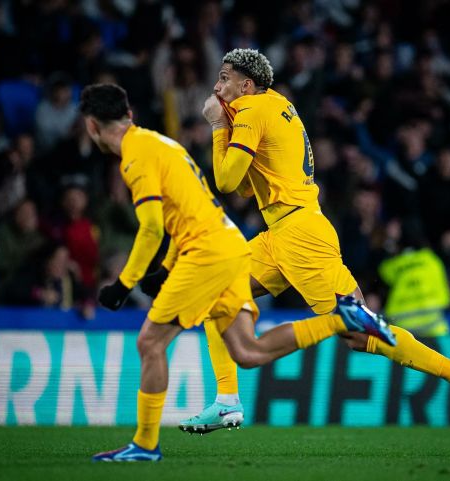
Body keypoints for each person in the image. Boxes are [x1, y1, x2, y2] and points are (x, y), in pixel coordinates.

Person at [177, 49, 450, 432]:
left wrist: (216, 126)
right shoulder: (276, 105)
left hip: (302, 237)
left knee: (360, 333)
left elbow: (226, 182)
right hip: (283, 231)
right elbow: (245, 187)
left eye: (224, 78)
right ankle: (227, 402)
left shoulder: (252, 112)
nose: (216, 85)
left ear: (246, 85)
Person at [80, 83, 392, 462]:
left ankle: (146, 445)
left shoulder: (135, 156)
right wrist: (164, 269)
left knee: (150, 343)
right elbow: (193, 208)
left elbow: (151, 227)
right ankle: (338, 321)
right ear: (129, 115)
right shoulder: (162, 144)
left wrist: (123, 284)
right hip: (226, 245)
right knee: (247, 351)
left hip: (207, 255)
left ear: (92, 127)